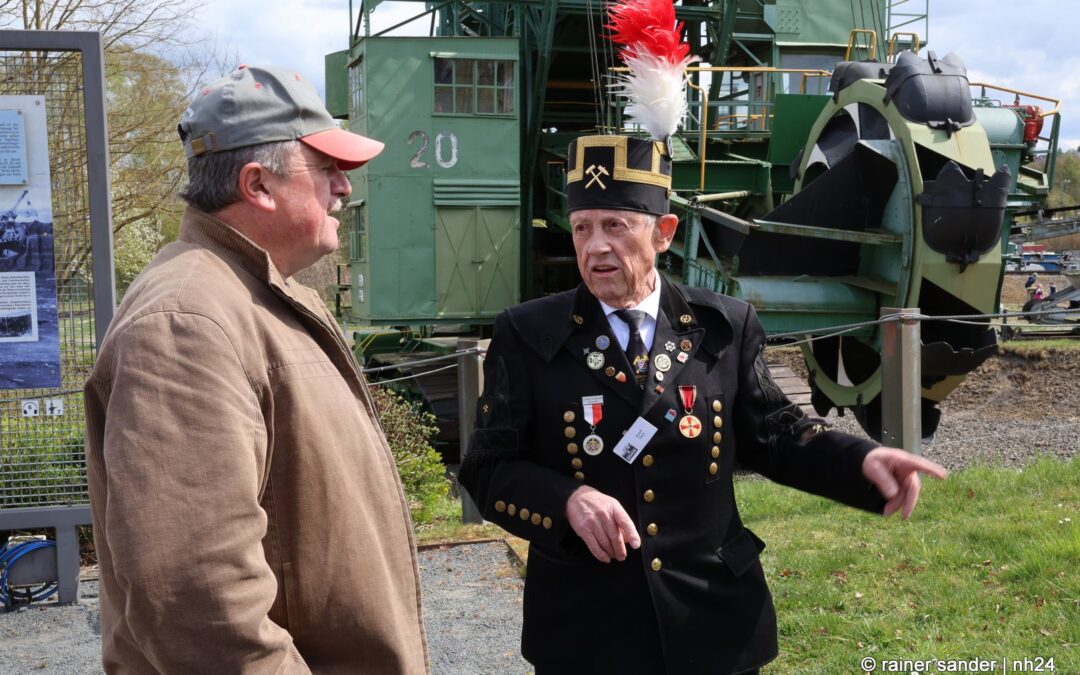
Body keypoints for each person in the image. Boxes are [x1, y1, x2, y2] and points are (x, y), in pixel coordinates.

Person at [459, 133, 947, 674]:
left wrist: (860, 461)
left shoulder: (723, 326)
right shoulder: (528, 333)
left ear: (664, 233)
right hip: (588, 627)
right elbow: (487, 468)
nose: (595, 246)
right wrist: (566, 501)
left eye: (615, 226)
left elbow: (776, 435)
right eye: (582, 227)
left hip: (713, 618)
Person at [84, 65, 428, 673]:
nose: (344, 188)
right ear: (258, 185)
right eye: (326, 169)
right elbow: (196, 596)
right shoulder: (186, 323)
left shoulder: (247, 295)